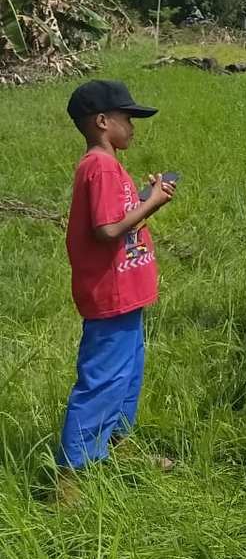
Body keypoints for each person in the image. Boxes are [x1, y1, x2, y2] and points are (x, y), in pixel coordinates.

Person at [58, 80, 176, 481]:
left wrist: (147, 200)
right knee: (101, 382)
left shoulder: (107, 166)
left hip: (125, 294)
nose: (134, 126)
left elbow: (121, 222)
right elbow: (107, 231)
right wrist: (153, 201)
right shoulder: (101, 167)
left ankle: (115, 451)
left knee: (126, 378)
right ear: (103, 121)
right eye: (128, 119)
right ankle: (71, 481)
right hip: (110, 294)